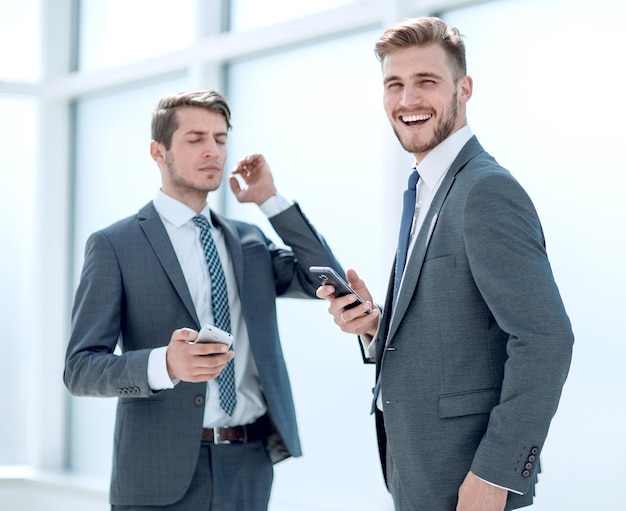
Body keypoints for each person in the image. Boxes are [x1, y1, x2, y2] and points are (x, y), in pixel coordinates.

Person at [316, 17, 574, 511]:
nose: (408, 100)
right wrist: (376, 328)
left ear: (464, 88)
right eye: (395, 84)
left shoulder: (485, 190)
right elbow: (456, 327)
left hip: (470, 485)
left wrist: (496, 476)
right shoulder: (428, 189)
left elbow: (546, 340)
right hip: (420, 472)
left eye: (426, 82)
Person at [64, 90, 344, 511]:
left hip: (249, 462)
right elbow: (80, 369)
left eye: (220, 138)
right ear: (159, 151)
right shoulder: (114, 245)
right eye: (196, 139)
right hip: (156, 473)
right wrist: (165, 364)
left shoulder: (247, 240)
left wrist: (270, 200)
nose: (213, 150)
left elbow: (326, 280)